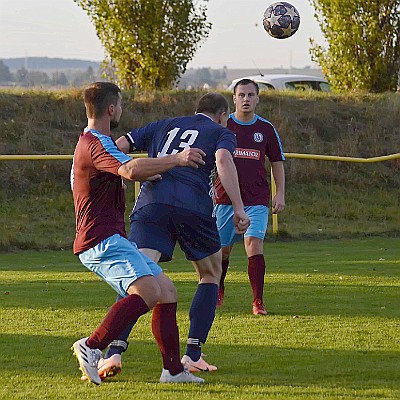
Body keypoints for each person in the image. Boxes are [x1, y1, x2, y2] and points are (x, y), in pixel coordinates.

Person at [90, 92, 250, 380]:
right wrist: (238, 207)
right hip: (194, 206)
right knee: (211, 274)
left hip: (153, 203)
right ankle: (192, 355)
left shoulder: (163, 124)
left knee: (137, 276)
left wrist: (130, 174)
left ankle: (113, 351)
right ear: (223, 116)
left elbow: (117, 146)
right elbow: (224, 161)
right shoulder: (220, 132)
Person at [71, 81, 206, 385]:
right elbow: (130, 170)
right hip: (100, 240)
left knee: (167, 292)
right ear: (111, 108)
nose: (121, 109)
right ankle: (91, 346)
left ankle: (172, 371)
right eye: (120, 105)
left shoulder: (93, 141)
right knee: (147, 292)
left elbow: (123, 172)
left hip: (110, 237)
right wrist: (178, 159)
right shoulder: (97, 142)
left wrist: (153, 169)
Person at [214, 78, 285, 315]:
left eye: (250, 95)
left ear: (257, 98)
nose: (246, 99)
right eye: (241, 95)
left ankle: (258, 301)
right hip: (224, 200)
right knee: (223, 250)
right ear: (233, 98)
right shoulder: (223, 127)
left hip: (256, 199)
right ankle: (218, 288)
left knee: (253, 244)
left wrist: (280, 193)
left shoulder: (265, 129)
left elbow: (276, 162)